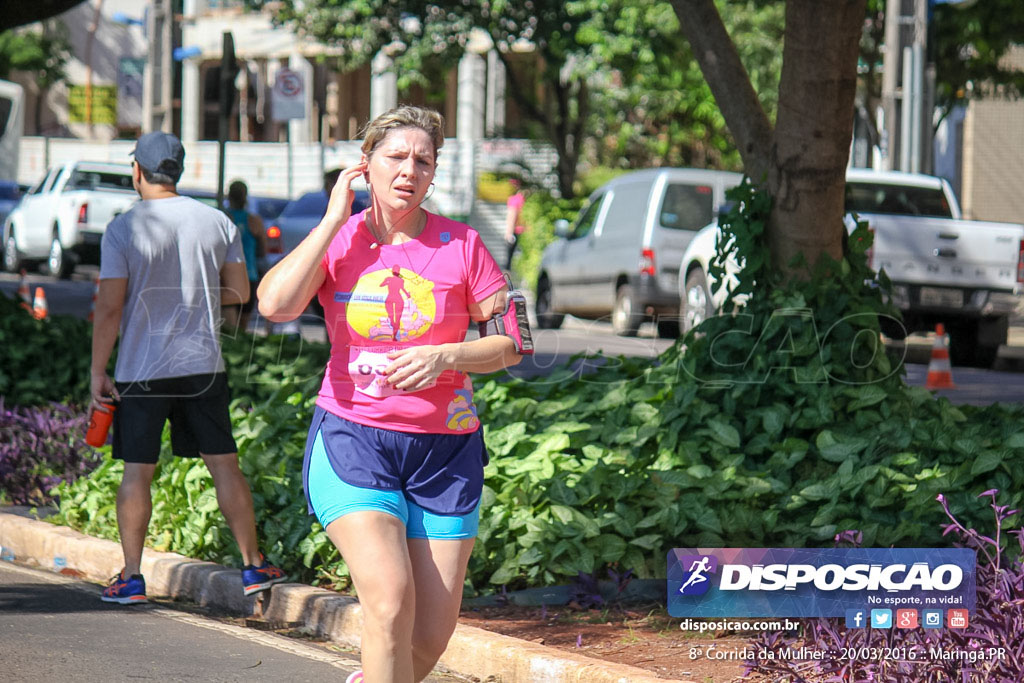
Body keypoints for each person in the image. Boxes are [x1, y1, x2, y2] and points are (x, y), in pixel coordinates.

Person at [258, 106, 522, 683]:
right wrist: (331, 219)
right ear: (366, 165)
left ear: (433, 174)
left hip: (446, 452)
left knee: (428, 638)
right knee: (390, 602)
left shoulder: (462, 244)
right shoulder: (341, 239)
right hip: (355, 439)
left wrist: (447, 355)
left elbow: (511, 344)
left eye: (422, 161)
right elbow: (274, 305)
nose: (409, 170)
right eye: (395, 156)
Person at [90, 131, 286, 605]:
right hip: (203, 365)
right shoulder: (217, 222)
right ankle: (253, 565)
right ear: (178, 170)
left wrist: (98, 371)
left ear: (138, 170)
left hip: (142, 368)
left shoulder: (123, 228)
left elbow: (110, 307)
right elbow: (239, 294)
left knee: (137, 472)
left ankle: (132, 577)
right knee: (224, 466)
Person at [223, 180, 267, 333]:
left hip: (227, 277)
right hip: (250, 275)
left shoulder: (224, 218)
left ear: (229, 195)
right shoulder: (254, 221)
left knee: (229, 329)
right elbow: (262, 251)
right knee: (243, 327)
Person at [502, 178, 527, 271]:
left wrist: (509, 233)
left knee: (509, 259)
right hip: (525, 232)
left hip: (515, 232)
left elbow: (512, 217)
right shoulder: (524, 199)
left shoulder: (513, 200)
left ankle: (507, 281)